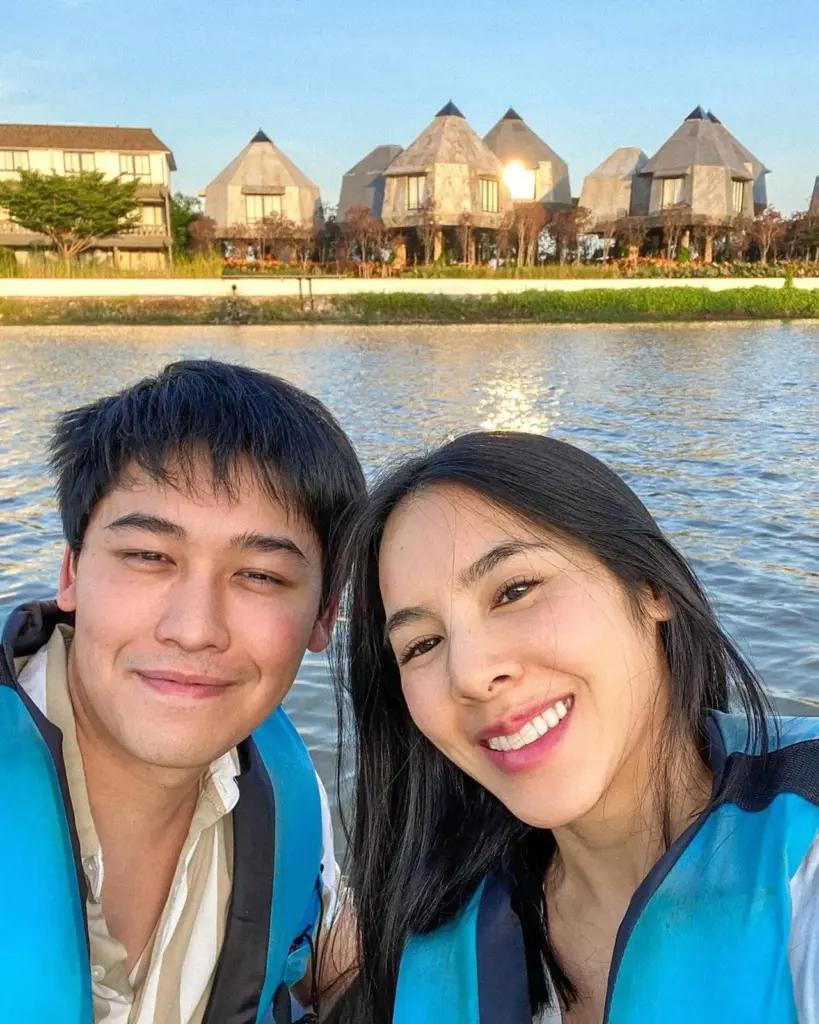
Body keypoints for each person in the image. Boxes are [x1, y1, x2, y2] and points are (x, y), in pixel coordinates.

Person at [332, 430, 819, 1024]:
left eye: (515, 591)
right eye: (422, 644)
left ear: (650, 585)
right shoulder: (441, 924)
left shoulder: (805, 864)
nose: (470, 674)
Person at [0, 359, 365, 1024]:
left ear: (324, 616)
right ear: (72, 573)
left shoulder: (287, 794)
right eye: (149, 557)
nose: (194, 629)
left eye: (259, 575)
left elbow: (323, 949)